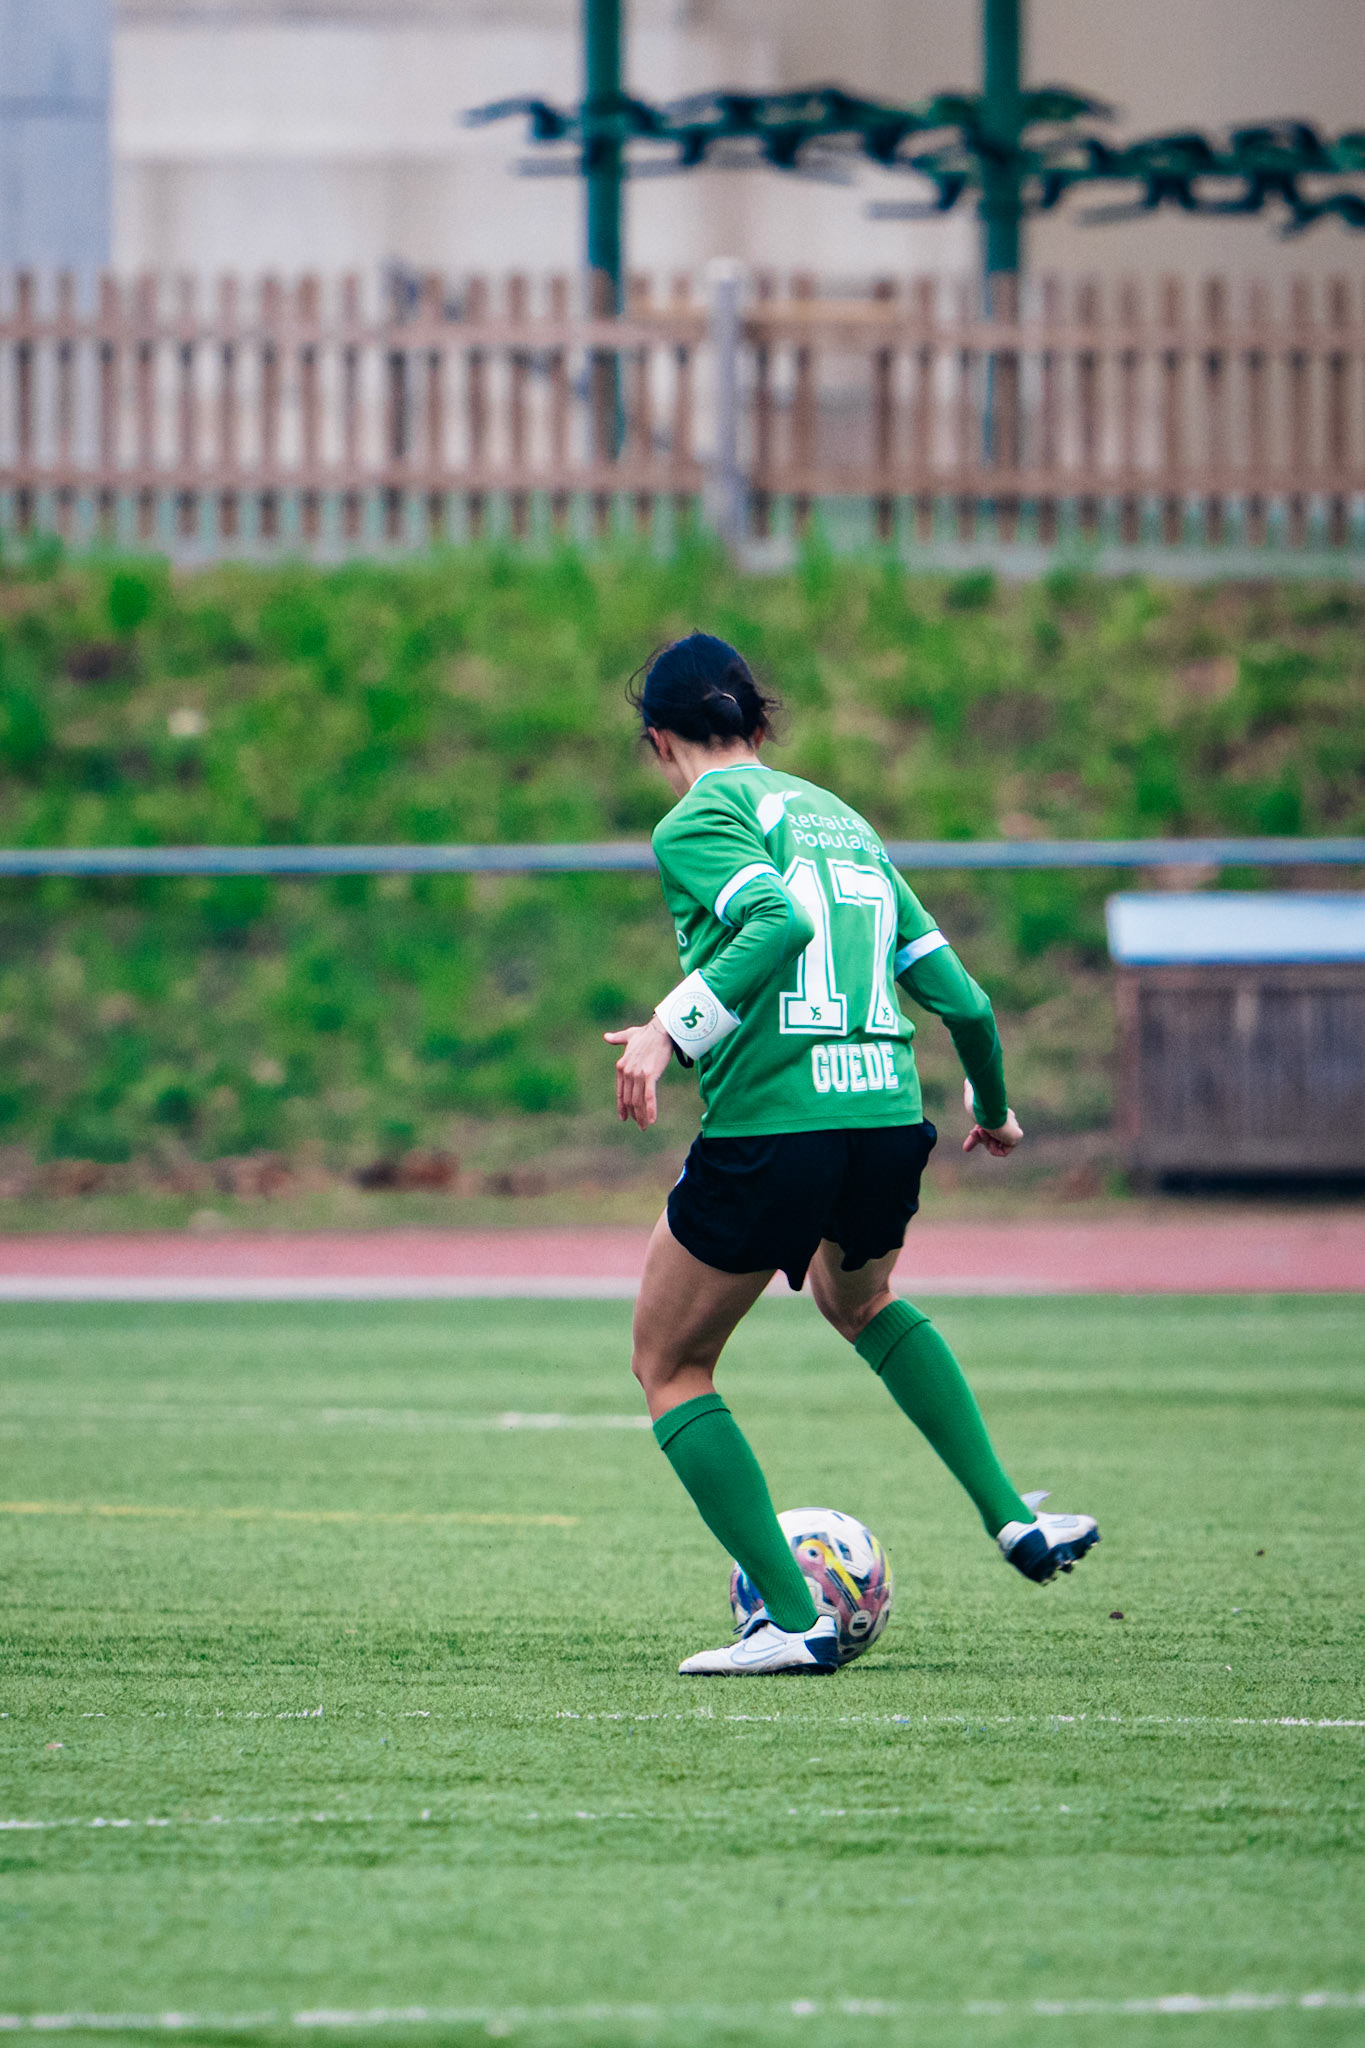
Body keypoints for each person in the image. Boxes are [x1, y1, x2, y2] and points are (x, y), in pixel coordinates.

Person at [604, 632, 1099, 1677]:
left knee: (669, 1364)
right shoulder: (841, 819)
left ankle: (794, 1618)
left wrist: (666, 1030)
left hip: (776, 1129)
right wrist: (994, 1108)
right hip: (883, 1120)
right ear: (758, 724)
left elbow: (774, 919)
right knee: (862, 1302)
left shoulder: (696, 818)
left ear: (659, 739)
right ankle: (1012, 1516)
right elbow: (966, 1001)